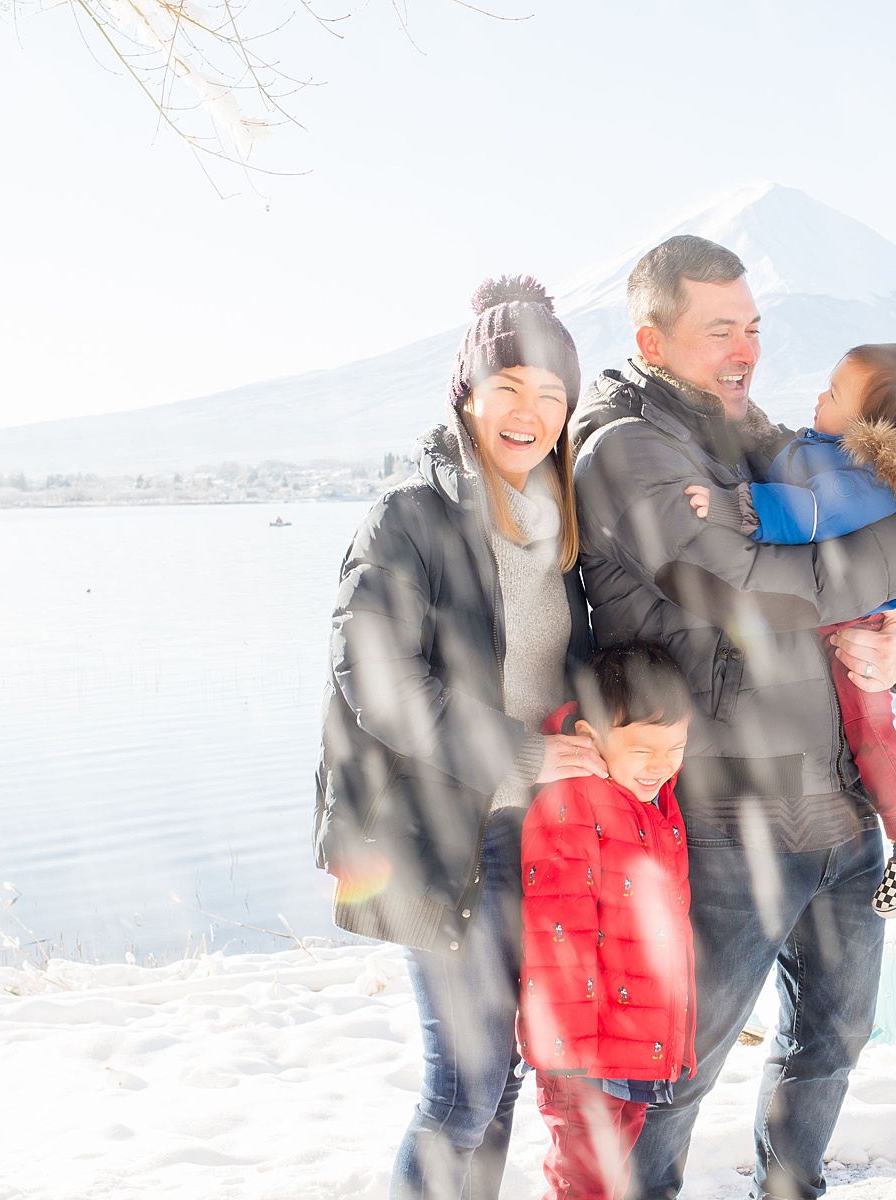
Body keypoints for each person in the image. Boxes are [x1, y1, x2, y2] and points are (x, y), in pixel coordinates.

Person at [569, 235, 896, 1200]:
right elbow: (746, 591)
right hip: (723, 815)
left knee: (832, 1040)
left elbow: (849, 561)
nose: (746, 351)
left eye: (753, 327)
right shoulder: (625, 449)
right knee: (675, 1067)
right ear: (652, 341)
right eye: (719, 330)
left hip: (839, 805)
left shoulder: (755, 432)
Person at [315, 276, 607, 1200]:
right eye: (508, 387)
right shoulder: (410, 516)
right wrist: (519, 755)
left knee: (502, 1075)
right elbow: (378, 679)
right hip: (436, 831)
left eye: (551, 394)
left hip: (533, 833)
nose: (530, 412)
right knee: (463, 1087)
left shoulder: (558, 522)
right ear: (466, 395)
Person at [683, 342, 896, 916]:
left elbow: (813, 512)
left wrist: (740, 507)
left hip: (863, 619)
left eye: (833, 395)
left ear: (870, 429)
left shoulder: (865, 475)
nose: (818, 397)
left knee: (871, 733)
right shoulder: (832, 450)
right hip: (848, 621)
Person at [519, 641, 696, 1200]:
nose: (662, 764)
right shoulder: (573, 804)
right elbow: (558, 935)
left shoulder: (654, 804)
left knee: (607, 1181)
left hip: (631, 1043)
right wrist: (570, 1055)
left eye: (677, 748)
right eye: (644, 749)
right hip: (583, 1053)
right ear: (588, 738)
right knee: (583, 1184)